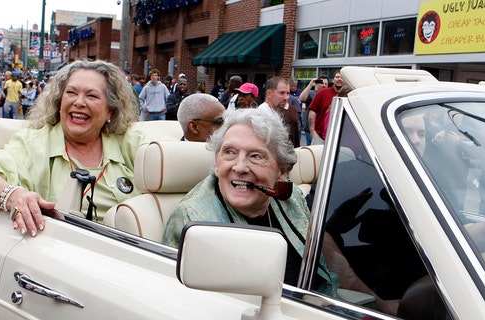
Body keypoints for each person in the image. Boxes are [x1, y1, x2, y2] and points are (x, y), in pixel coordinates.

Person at [163, 108, 396, 313]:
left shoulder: (289, 197)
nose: (240, 167)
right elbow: (192, 306)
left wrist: (381, 305)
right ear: (217, 161)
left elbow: (324, 261)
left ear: (282, 171)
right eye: (229, 152)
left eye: (256, 156)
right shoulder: (194, 219)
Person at [0, 59, 145, 237]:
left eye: (92, 96)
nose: (79, 102)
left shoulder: (129, 142)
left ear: (110, 111)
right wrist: (15, 196)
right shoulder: (34, 143)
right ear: (59, 102)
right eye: (71, 93)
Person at [399, 112, 485, 252]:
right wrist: (437, 141)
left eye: (421, 134)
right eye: (405, 131)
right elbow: (429, 152)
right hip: (443, 181)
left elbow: (458, 229)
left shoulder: (425, 188)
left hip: (458, 184)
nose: (416, 140)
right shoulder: (440, 130)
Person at [258, 76, 299, 147]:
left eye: (288, 93)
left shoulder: (275, 113)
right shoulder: (262, 114)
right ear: (269, 94)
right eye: (282, 93)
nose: (286, 97)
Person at [309, 71, 343, 145]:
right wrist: (312, 132)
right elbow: (312, 111)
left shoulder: (348, 95)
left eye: (342, 77)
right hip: (320, 137)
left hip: (339, 139)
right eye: (337, 77)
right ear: (333, 80)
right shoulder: (323, 92)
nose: (339, 79)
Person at [299, 75, 328, 146]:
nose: (324, 85)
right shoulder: (312, 93)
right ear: (317, 84)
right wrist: (310, 85)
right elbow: (301, 98)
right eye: (322, 83)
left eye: (326, 84)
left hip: (324, 130)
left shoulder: (329, 95)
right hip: (310, 129)